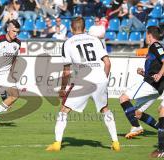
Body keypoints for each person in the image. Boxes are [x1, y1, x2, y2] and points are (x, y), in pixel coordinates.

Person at [46, 17, 120, 152]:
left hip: (83, 80)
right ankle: (115, 142)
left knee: (64, 110)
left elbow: (67, 71)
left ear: (71, 28)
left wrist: (63, 88)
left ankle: (57, 144)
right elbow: (108, 63)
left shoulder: (68, 43)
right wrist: (103, 79)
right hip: (100, 79)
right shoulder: (95, 39)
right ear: (85, 28)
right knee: (105, 109)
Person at [119, 26, 164, 154]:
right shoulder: (154, 48)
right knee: (137, 113)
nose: (145, 38)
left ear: (149, 35)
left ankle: (136, 126)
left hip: (152, 85)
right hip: (156, 86)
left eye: (146, 35)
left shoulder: (156, 46)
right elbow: (156, 69)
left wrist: (160, 75)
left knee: (123, 98)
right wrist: (144, 73)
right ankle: (159, 128)